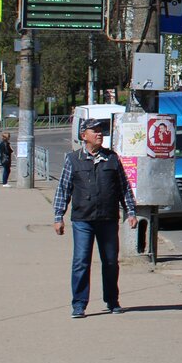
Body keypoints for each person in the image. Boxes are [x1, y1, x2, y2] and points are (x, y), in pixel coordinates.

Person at [51, 118, 136, 318]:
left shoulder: (112, 158)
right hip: (83, 220)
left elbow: (124, 188)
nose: (99, 134)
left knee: (110, 262)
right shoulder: (73, 159)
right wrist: (58, 216)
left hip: (107, 219)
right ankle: (79, 304)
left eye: (101, 131)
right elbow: (64, 189)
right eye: (95, 131)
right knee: (81, 261)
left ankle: (112, 301)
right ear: (84, 136)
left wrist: (131, 211)